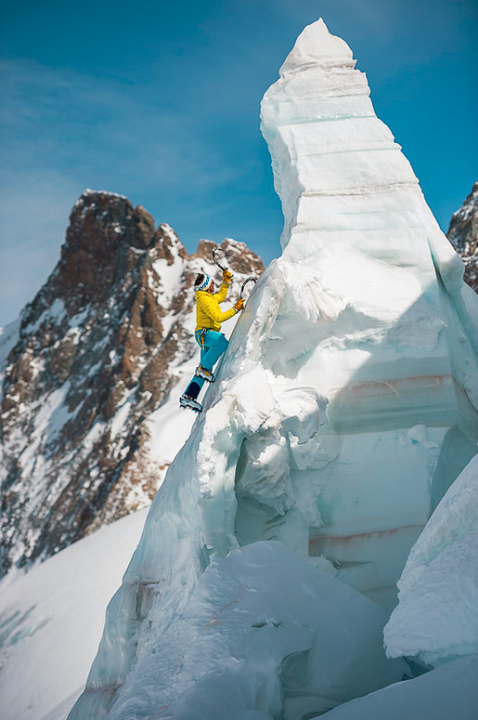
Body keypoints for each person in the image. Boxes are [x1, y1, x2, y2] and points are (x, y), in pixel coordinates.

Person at [180, 269, 245, 412]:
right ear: (206, 286)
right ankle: (203, 370)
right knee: (222, 343)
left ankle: (188, 396)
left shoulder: (208, 297)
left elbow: (221, 296)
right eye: (212, 283)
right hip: (206, 334)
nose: (214, 285)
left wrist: (226, 281)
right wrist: (235, 309)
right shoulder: (204, 299)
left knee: (205, 369)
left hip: (205, 335)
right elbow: (218, 317)